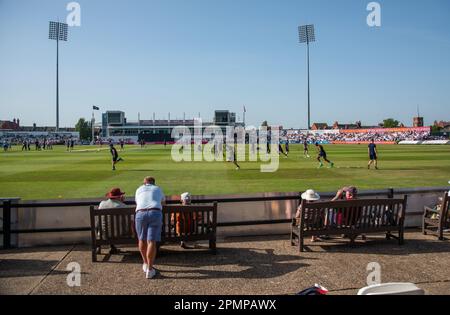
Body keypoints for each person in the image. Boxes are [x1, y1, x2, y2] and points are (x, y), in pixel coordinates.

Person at [135, 177, 165, 279]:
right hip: (155, 212)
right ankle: (150, 269)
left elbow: (138, 202)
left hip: (140, 213)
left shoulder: (139, 189)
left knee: (142, 239)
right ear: (154, 183)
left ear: (144, 183)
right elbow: (163, 202)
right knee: (151, 241)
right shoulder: (157, 189)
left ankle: (145, 263)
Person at [98, 188, 127, 254]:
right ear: (119, 196)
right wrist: (122, 202)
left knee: (99, 222)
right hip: (119, 234)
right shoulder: (123, 206)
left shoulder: (102, 204)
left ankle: (101, 246)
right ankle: (113, 247)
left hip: (104, 235)